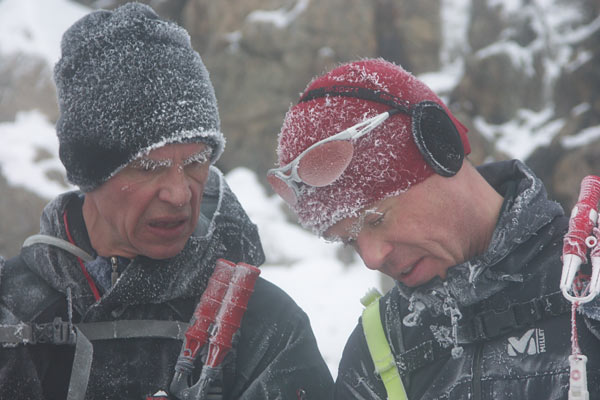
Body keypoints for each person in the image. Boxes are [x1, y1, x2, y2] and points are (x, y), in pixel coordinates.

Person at [0, 3, 333, 399]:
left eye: (196, 162)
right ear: (90, 174)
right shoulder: (11, 308)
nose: (179, 194)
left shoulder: (265, 326)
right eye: (148, 167)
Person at [268, 58, 600, 399]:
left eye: (376, 219)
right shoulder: (380, 348)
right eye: (348, 242)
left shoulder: (590, 288)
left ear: (441, 149)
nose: (370, 257)